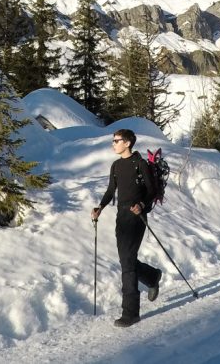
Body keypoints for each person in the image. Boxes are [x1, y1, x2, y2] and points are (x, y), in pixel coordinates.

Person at [91, 128, 162, 327]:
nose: (113, 143)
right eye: (113, 140)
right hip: (121, 217)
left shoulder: (140, 164)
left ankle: (130, 312)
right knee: (126, 260)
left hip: (137, 217)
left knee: (128, 263)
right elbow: (111, 190)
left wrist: (141, 205)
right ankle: (152, 276)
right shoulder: (116, 166)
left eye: (116, 140)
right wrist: (100, 207)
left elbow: (151, 191)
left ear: (128, 143)